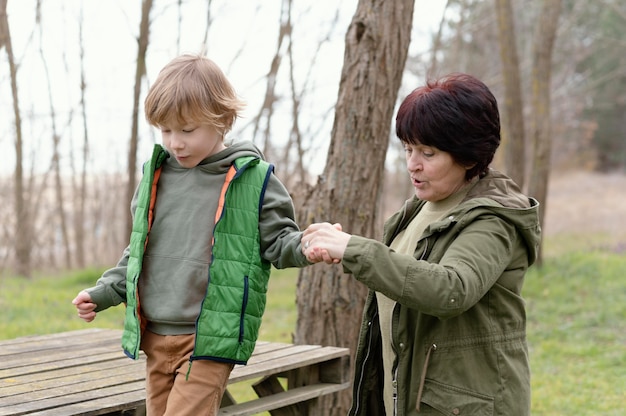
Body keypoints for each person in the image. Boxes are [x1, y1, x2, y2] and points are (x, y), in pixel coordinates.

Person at [72, 54, 310, 416]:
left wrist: (308, 246)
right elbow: (138, 252)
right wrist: (104, 291)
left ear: (223, 121)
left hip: (209, 337)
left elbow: (280, 243)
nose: (175, 143)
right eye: (165, 130)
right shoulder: (156, 178)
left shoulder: (254, 179)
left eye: (187, 130)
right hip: (154, 336)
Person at [301, 73, 541, 416]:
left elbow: (451, 288)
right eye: (408, 149)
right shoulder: (417, 210)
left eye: (428, 152)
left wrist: (356, 249)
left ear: (469, 157)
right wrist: (342, 246)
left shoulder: (495, 218)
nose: (413, 163)